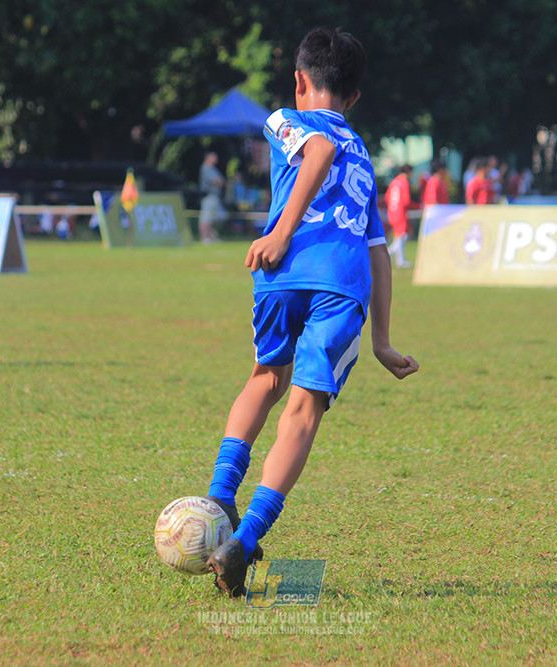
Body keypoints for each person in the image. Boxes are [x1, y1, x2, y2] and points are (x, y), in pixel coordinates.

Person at [203, 26, 419, 597]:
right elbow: (380, 255)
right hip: (341, 289)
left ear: (299, 81)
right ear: (352, 98)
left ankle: (219, 498)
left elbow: (314, 150)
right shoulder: (366, 161)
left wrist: (280, 231)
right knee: (302, 409)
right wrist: (381, 341)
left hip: (282, 276)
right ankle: (243, 540)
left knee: (264, 378)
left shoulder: (281, 118)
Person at [385, 164, 414, 268]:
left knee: (401, 236)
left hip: (392, 211)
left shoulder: (394, 182)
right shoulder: (404, 182)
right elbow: (406, 201)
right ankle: (398, 259)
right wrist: (415, 206)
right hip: (400, 212)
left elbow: (387, 196)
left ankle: (394, 256)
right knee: (401, 236)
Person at [198, 151, 227, 244]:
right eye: (214, 156)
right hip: (208, 196)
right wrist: (218, 182)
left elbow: (221, 180)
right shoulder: (205, 168)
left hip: (215, 197)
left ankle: (212, 238)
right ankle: (204, 238)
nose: (216, 159)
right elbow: (217, 181)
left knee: (212, 219)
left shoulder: (213, 169)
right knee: (205, 218)